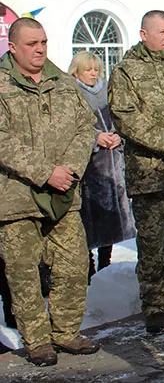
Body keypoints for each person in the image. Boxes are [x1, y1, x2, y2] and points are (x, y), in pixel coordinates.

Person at [0, 18, 99, 366]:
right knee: (24, 273)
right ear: (13, 48)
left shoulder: (64, 84)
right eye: (32, 44)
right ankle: (37, 340)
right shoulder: (1, 85)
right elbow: (3, 141)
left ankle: (66, 332)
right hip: (17, 198)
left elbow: (86, 127)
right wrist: (45, 173)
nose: (40, 49)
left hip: (64, 195)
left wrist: (69, 170)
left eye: (43, 41)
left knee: (74, 266)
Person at [109, 11, 164, 334]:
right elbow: (127, 119)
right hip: (150, 174)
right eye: (162, 32)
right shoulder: (127, 71)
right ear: (144, 34)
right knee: (152, 244)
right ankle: (155, 305)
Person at [69, 52, 134, 280]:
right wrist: (95, 138)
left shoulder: (107, 90)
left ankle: (106, 266)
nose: (93, 74)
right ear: (77, 71)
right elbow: (70, 128)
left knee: (111, 219)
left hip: (112, 164)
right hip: (88, 167)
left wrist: (118, 136)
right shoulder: (71, 93)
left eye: (96, 69)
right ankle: (88, 267)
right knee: (88, 220)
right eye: (88, 69)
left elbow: (121, 120)